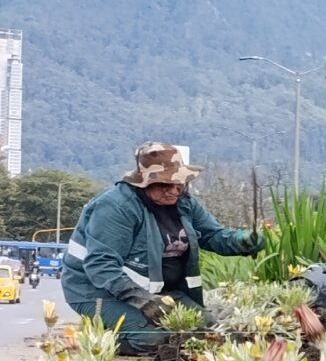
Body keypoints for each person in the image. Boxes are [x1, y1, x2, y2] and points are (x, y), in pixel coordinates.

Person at [63, 143, 265, 348]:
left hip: (160, 291)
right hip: (95, 291)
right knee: (153, 339)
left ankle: (126, 323)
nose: (173, 191)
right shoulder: (117, 207)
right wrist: (142, 300)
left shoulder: (184, 203)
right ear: (144, 183)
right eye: (164, 185)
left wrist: (241, 241)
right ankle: (98, 339)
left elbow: (212, 234)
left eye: (178, 184)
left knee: (206, 331)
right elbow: (101, 265)